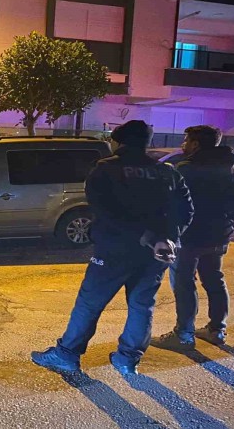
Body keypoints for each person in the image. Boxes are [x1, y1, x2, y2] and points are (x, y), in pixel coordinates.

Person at [31, 120, 193, 375]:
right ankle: (128, 359)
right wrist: (167, 238)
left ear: (118, 142)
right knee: (142, 305)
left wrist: (146, 236)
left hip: (114, 249)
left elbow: (106, 211)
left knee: (89, 303)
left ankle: (66, 354)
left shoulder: (106, 169)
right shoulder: (167, 172)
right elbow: (185, 210)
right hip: (155, 252)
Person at [151, 125, 234, 351]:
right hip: (218, 237)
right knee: (214, 279)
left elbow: (173, 204)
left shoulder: (186, 170)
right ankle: (217, 330)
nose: (183, 144)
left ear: (196, 144)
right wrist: (227, 229)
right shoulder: (232, 169)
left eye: (186, 140)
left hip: (190, 238)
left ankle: (184, 334)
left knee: (184, 283)